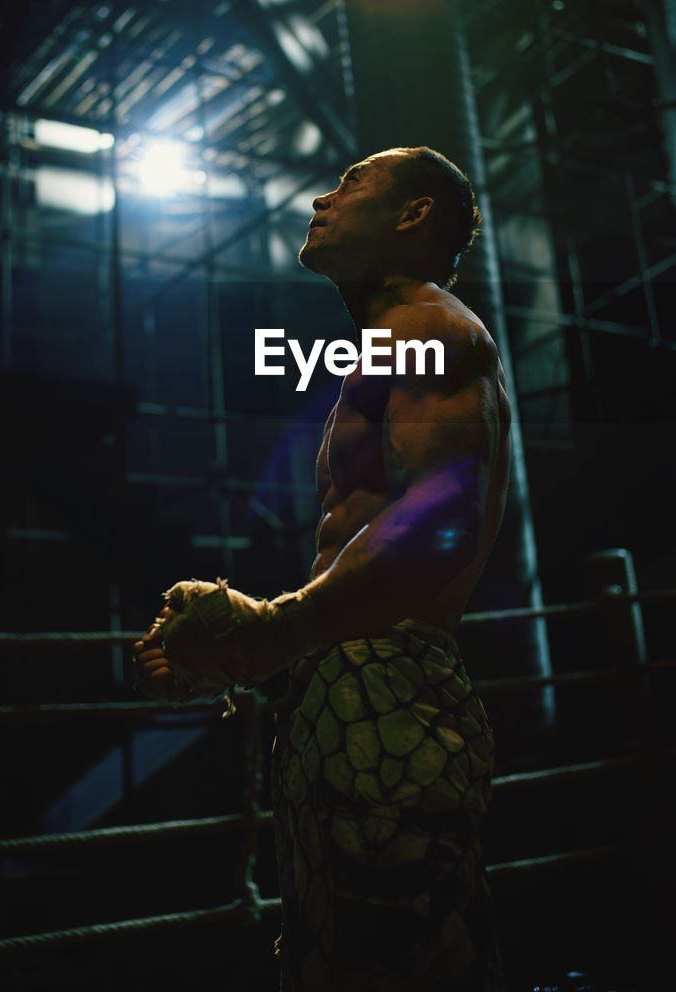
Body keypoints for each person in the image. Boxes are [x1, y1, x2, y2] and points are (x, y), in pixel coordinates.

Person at [134, 146, 510, 991]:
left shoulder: (427, 326)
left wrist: (270, 632)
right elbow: (380, 532)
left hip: (391, 695)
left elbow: (440, 510)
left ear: (412, 214)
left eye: (350, 185)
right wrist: (251, 642)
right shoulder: (393, 340)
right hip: (358, 689)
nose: (320, 198)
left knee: (393, 958)